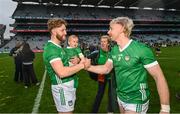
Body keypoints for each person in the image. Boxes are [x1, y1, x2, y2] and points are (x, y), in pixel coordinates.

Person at [85, 17, 170, 113]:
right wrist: (88, 67)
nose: (108, 32)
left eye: (111, 29)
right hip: (121, 97)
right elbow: (106, 69)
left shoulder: (141, 49)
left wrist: (165, 108)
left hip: (136, 99)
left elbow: (159, 77)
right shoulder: (114, 50)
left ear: (122, 28)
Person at [43, 18, 85, 114]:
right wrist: (82, 65)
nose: (65, 33)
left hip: (68, 85)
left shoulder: (59, 47)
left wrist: (77, 60)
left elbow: (69, 62)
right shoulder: (51, 49)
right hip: (62, 87)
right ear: (53, 31)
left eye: (65, 30)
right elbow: (61, 72)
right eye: (62, 30)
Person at [88, 35, 113, 113]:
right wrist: (78, 59)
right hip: (101, 76)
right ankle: (94, 112)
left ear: (108, 43)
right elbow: (86, 58)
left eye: (104, 42)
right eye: (101, 42)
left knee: (111, 95)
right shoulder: (96, 53)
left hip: (112, 77)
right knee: (99, 94)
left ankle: (110, 111)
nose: (102, 43)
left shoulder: (113, 52)